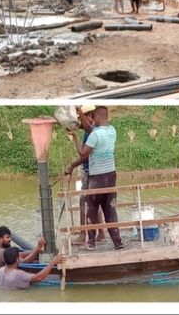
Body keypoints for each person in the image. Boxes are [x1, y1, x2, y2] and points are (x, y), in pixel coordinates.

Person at [69, 106, 124, 250]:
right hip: (111, 175)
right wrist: (80, 113)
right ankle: (118, 242)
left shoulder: (94, 135)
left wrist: (75, 137)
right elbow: (90, 128)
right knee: (110, 209)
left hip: (97, 177)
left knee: (92, 210)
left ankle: (91, 242)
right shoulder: (112, 131)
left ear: (97, 118)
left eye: (93, 117)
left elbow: (83, 155)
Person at [64, 106, 106, 245]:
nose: (80, 122)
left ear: (90, 116)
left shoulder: (92, 132)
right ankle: (101, 233)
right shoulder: (97, 129)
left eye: (81, 118)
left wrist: (71, 166)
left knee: (83, 202)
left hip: (90, 172)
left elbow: (84, 156)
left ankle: (83, 235)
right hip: (98, 172)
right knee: (96, 203)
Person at [0, 246, 64, 290]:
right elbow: (39, 278)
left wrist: (37, 249)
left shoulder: (0, 271)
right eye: (19, 256)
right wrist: (53, 262)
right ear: (17, 260)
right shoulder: (19, 274)